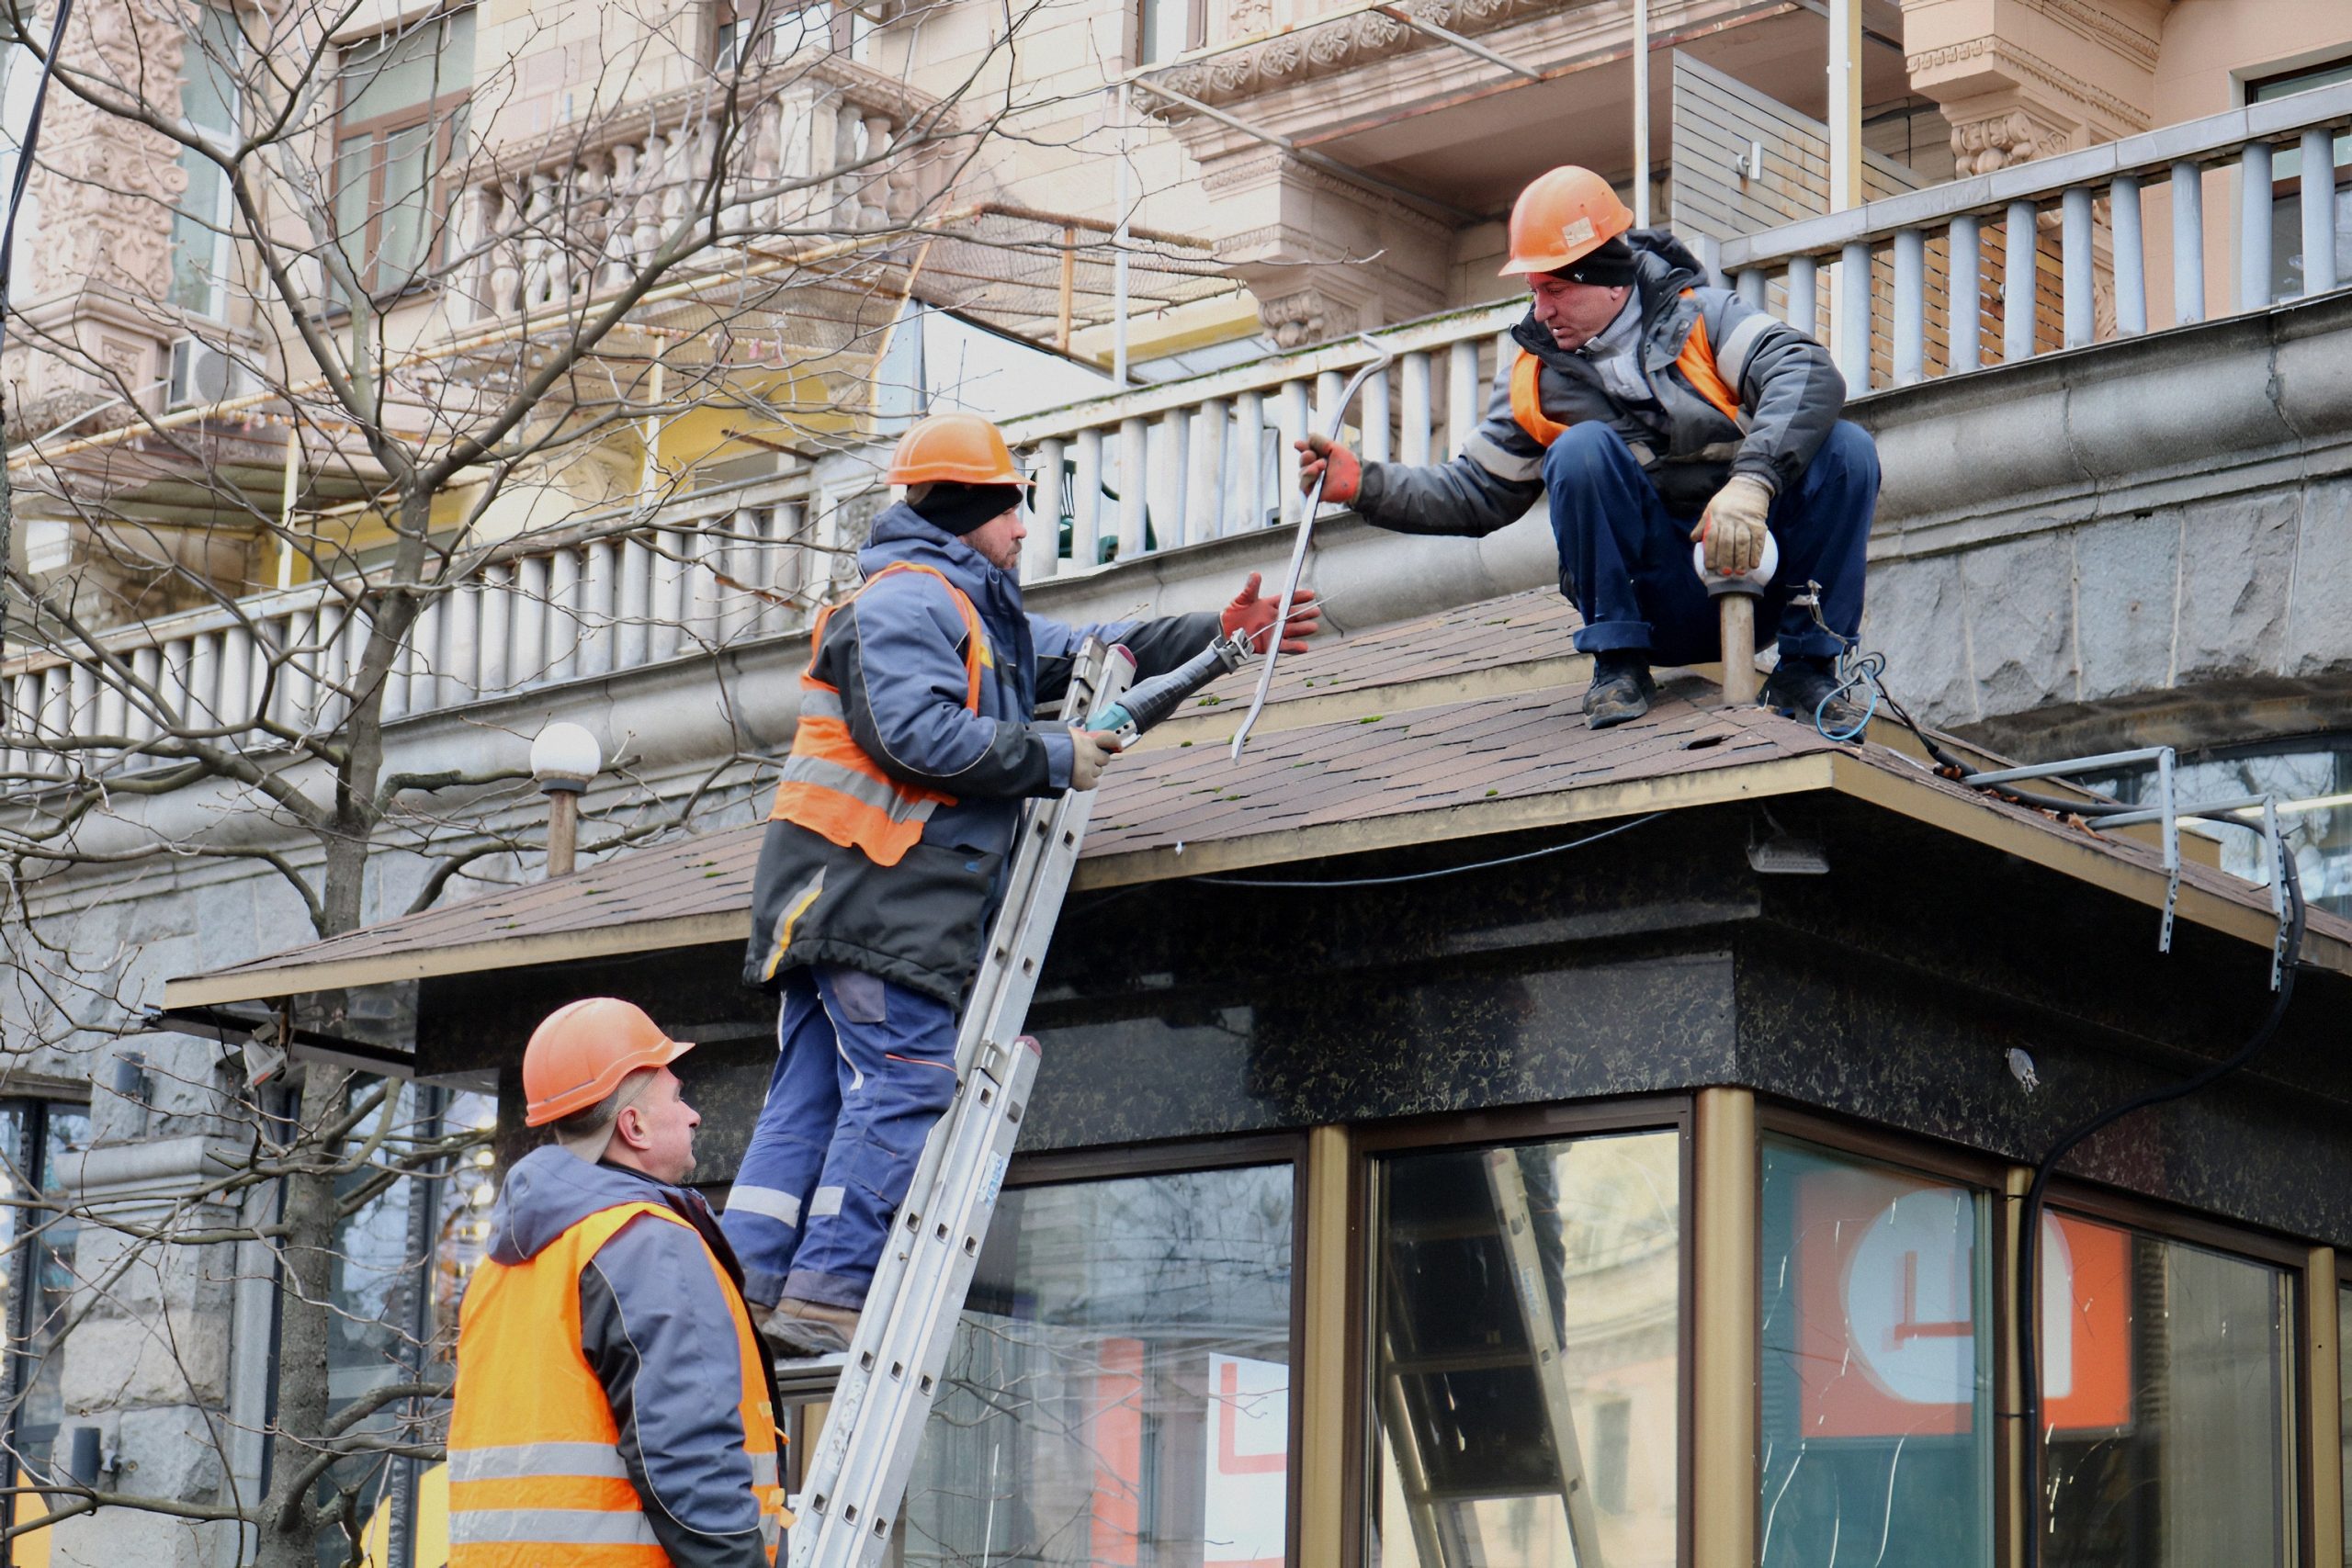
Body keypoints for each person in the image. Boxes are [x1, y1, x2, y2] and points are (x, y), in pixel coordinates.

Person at [727, 411, 1321, 1354]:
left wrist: (1218, 633)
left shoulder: (962, 610)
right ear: (967, 509)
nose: (1023, 527)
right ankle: (829, 1290)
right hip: (879, 897)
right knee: (907, 1079)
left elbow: (1099, 652)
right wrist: (1053, 755)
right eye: (1011, 508)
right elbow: (915, 737)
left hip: (841, 898)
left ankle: (746, 1280)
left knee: (812, 1096)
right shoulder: (909, 602)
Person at [1298, 164, 1878, 730]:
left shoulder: (1706, 320)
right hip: (1651, 603)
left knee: (1847, 449)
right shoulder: (1537, 378)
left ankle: (1807, 670)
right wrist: (1365, 485)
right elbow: (1477, 490)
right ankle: (1617, 664)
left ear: (1610, 282)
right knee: (1582, 450)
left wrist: (1752, 485)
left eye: (1555, 289)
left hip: (1762, 580)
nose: (1541, 311)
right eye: (1534, 291)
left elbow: (1805, 371)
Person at [447, 997, 786, 1567]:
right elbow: (689, 1452)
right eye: (677, 1098)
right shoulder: (645, 1241)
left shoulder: (499, 1267)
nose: (693, 1115)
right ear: (634, 1126)